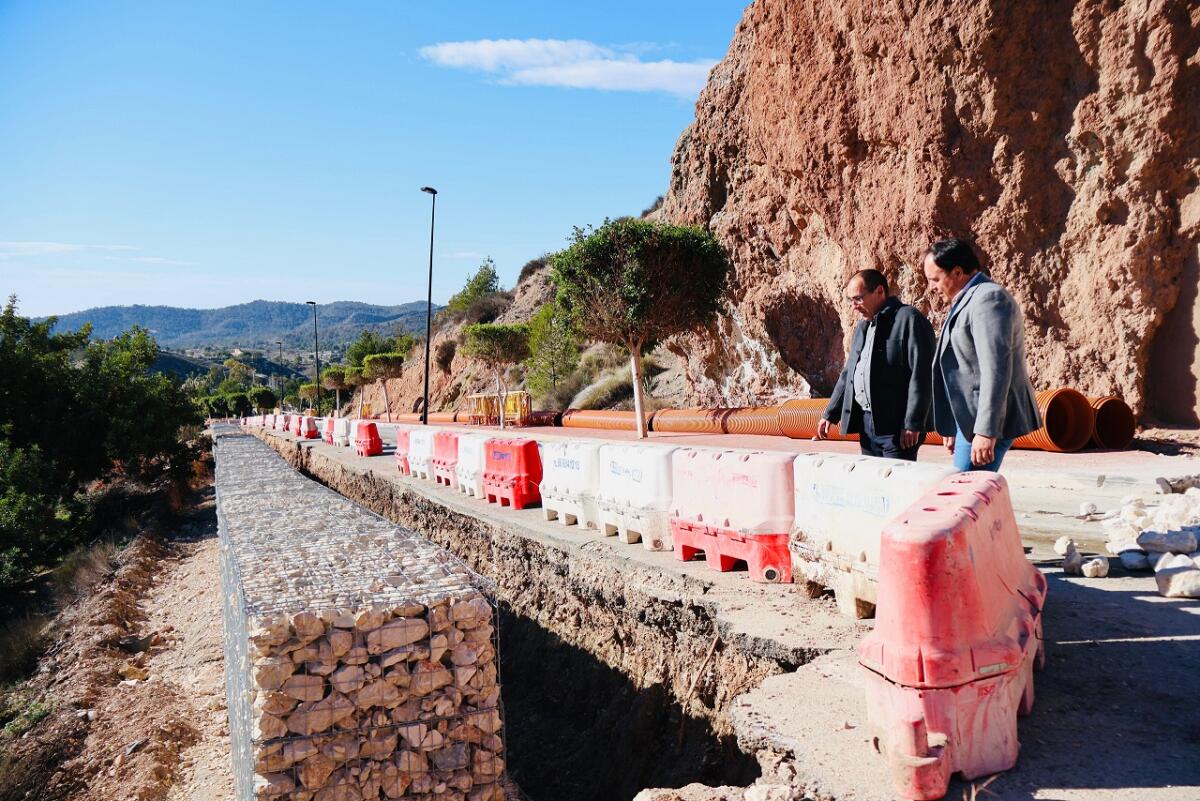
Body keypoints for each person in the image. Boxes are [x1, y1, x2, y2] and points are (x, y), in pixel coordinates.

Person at [922, 238, 1041, 472]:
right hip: (969, 421)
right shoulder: (968, 299)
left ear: (957, 272)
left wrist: (987, 430)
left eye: (935, 279)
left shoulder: (988, 299)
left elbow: (996, 369)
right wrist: (953, 424)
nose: (932, 287)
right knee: (965, 494)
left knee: (964, 494)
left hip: (984, 421)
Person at [817, 269, 935, 461]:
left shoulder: (909, 319)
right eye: (850, 300)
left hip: (897, 426)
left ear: (880, 292)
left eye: (858, 299)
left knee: (896, 483)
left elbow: (922, 374)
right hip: (867, 424)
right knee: (874, 485)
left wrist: (913, 422)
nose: (854, 306)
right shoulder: (863, 327)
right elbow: (849, 373)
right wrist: (830, 414)